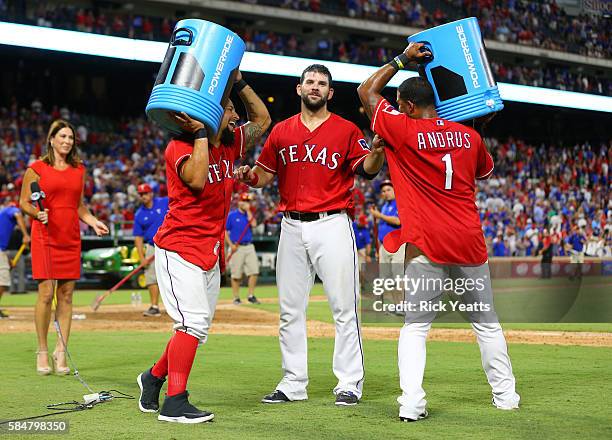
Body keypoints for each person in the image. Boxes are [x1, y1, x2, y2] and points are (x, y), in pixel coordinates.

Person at [357, 42, 520, 421]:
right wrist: (475, 126)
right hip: (468, 240)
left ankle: (412, 404)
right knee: (486, 324)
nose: (396, 109)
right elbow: (483, 171)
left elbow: (366, 90)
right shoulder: (470, 136)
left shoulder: (402, 128)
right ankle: (506, 396)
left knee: (415, 328)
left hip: (427, 243)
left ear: (409, 107)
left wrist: (402, 59)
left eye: (399, 104)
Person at [235, 64, 385, 406]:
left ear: (330, 93)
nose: (315, 87)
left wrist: (376, 153)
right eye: (310, 82)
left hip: (332, 223)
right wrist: (247, 176)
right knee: (289, 310)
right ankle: (293, 383)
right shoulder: (282, 131)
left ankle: (349, 383)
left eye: (322, 84)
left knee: (344, 307)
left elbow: (366, 171)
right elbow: (264, 176)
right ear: (299, 89)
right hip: (290, 224)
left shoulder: (346, 130)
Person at [136, 71, 270, 424]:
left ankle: (152, 378)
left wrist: (237, 83)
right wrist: (198, 132)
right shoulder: (179, 145)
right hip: (179, 247)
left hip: (209, 249)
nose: (236, 117)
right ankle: (175, 402)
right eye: (228, 110)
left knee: (195, 329)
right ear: (210, 113)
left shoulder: (229, 142)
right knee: (192, 324)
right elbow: (196, 180)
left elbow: (262, 119)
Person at [19, 119, 109, 375]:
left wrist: (93, 221)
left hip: (70, 237)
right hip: (45, 237)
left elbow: (78, 205)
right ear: (51, 139)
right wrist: (37, 215)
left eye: (70, 137)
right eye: (63, 137)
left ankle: (61, 351)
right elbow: (24, 202)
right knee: (46, 294)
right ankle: (42, 351)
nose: (67, 141)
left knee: (67, 296)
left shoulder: (79, 169)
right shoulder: (36, 169)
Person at [133, 183, 169, 317]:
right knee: (151, 277)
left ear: (151, 193)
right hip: (152, 247)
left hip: (171, 244)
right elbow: (138, 237)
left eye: (146, 193)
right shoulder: (139, 214)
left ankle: (181, 307)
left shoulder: (164, 202)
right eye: (141, 194)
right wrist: (142, 257)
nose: (143, 196)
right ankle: (154, 306)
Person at [370, 179, 404, 306]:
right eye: (383, 191)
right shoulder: (384, 206)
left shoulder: (399, 203)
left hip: (397, 244)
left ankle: (401, 304)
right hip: (384, 245)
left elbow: (398, 221)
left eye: (389, 189)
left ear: (395, 190)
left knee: (398, 275)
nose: (386, 193)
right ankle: (388, 305)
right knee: (384, 277)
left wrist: (378, 215)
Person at [225, 192, 260, 306]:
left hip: (249, 246)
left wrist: (249, 210)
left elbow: (254, 224)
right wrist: (230, 245)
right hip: (237, 247)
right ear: (239, 202)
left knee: (254, 271)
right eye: (244, 201)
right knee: (236, 274)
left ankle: (251, 295)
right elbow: (224, 231)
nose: (246, 203)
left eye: (248, 201)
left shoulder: (249, 214)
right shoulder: (232, 215)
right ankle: (236, 297)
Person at [0, 201, 31, 319]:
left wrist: (7, 261)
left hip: (2, 251)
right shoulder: (12, 209)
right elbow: (17, 214)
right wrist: (25, 235)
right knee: (3, 281)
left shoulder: (4, 215)